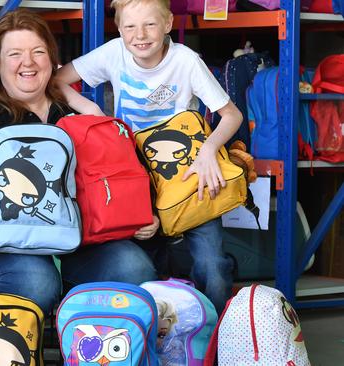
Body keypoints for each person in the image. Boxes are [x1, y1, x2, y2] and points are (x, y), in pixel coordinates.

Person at [0, 8, 157, 315]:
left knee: (133, 266)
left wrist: (144, 216)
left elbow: (112, 177)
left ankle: (87, 350)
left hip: (79, 241)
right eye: (14, 54)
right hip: (5, 244)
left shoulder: (72, 112)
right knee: (37, 280)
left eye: (38, 52)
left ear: (52, 59)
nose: (28, 62)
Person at [54, 0, 242, 314]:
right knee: (146, 270)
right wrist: (95, 113)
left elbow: (231, 115)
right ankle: (156, 339)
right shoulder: (114, 52)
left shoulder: (185, 60)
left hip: (187, 173)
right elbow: (58, 80)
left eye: (150, 25)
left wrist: (209, 150)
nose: (140, 35)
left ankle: (214, 343)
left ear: (168, 24)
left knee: (212, 267)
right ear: (119, 29)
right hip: (133, 174)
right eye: (130, 27)